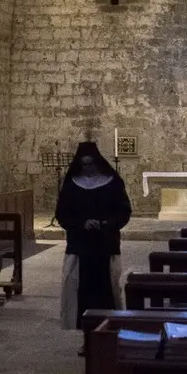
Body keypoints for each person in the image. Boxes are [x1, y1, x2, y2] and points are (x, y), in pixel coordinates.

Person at [56, 141, 132, 344]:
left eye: (91, 164)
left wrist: (106, 223)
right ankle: (87, 338)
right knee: (83, 294)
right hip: (81, 247)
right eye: (84, 165)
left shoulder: (112, 181)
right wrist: (81, 223)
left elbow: (123, 211)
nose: (88, 168)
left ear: (97, 162)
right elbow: (62, 213)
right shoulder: (72, 183)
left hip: (105, 245)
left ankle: (109, 335)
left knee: (107, 292)